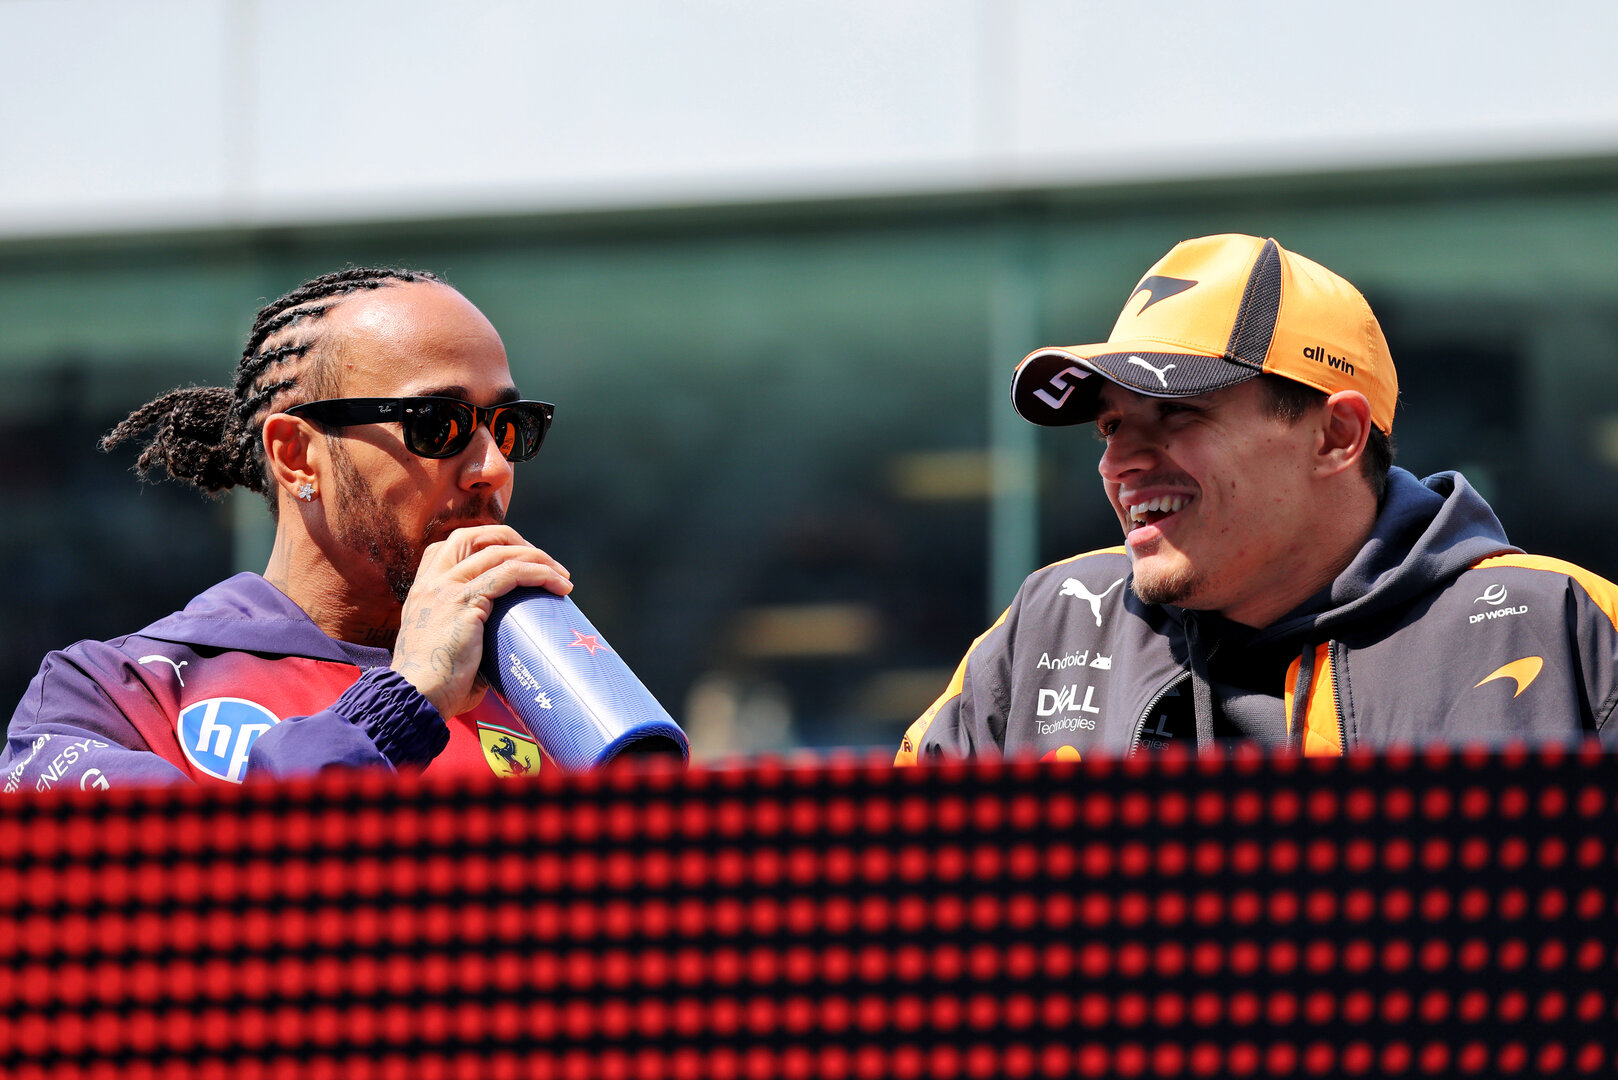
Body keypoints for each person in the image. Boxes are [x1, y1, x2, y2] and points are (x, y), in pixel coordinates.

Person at [899, 233, 1618, 763]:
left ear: (1336, 435)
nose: (1120, 461)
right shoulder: (1050, 628)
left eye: (1178, 413)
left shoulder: (1563, 627)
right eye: (1111, 425)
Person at [3, 267, 572, 790]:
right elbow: (188, 888)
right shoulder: (113, 693)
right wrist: (404, 703)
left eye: (508, 426)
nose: (493, 466)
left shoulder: (557, 699)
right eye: (436, 423)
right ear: (297, 455)